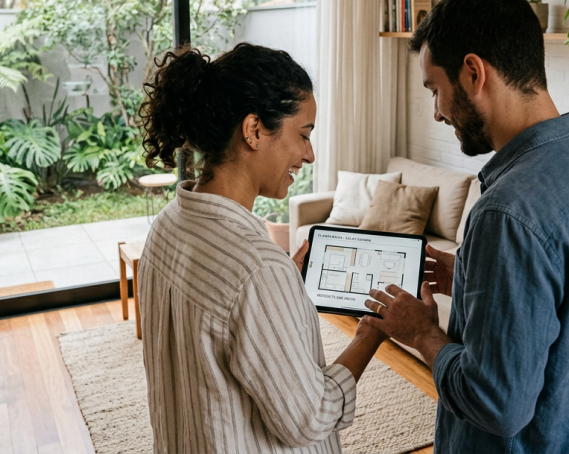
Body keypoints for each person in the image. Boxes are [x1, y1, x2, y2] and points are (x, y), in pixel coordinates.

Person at [364, 0, 569, 453]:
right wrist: (471, 275)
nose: (437, 112)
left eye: (436, 89)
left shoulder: (506, 213)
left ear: (474, 73)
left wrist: (421, 332)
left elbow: (496, 403)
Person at [136, 43, 388, 453]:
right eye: (303, 135)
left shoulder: (166, 227)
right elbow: (311, 420)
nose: (308, 154)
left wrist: (283, 284)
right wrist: (370, 334)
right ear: (253, 130)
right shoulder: (257, 269)